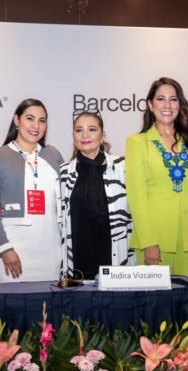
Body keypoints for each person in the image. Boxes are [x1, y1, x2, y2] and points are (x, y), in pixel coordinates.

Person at [125, 77, 188, 275]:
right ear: (150, 105)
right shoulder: (137, 142)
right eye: (161, 99)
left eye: (173, 99)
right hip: (156, 241)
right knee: (156, 296)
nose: (167, 105)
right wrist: (149, 241)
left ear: (180, 104)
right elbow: (137, 197)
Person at [0, 99, 64, 282]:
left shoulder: (53, 155)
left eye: (42, 120)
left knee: (49, 300)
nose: (36, 125)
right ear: (16, 120)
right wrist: (4, 248)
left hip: (51, 250)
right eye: (29, 118)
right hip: (13, 249)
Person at [59, 110, 135, 280]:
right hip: (77, 261)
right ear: (73, 136)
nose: (85, 135)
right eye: (79, 130)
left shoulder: (123, 167)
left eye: (92, 129)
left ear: (102, 136)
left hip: (115, 258)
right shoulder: (64, 172)